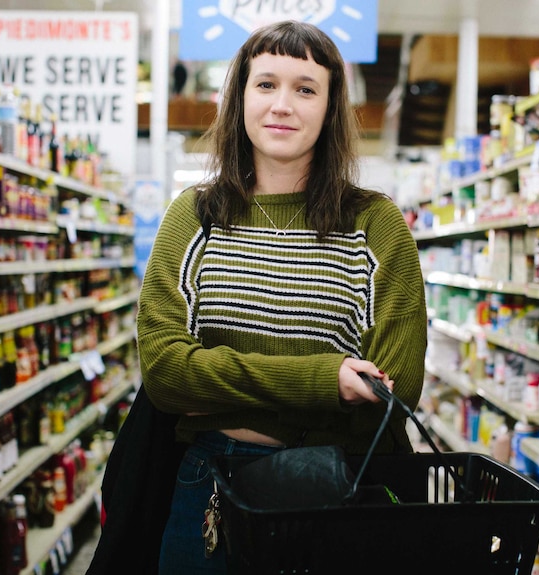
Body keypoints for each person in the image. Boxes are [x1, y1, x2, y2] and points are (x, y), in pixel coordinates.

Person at [136, 20, 427, 573]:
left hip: (333, 488)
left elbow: (395, 385)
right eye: (265, 83)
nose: (282, 105)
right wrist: (326, 382)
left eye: (306, 88)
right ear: (240, 97)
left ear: (331, 106)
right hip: (209, 487)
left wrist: (217, 386)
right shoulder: (194, 217)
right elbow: (165, 373)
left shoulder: (374, 222)